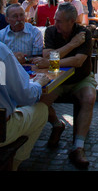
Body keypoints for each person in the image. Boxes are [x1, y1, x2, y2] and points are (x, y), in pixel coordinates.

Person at [31, 2, 97, 169]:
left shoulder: (84, 33)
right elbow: (46, 55)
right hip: (55, 79)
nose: (55, 23)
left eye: (59, 21)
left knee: (89, 97)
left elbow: (78, 61)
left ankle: (78, 147)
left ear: (71, 21)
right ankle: (57, 124)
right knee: (38, 98)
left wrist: (51, 61)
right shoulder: (52, 31)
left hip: (80, 79)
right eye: (55, 19)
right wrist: (72, 45)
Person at [0, 41, 49, 170]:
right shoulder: (1, 52)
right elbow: (26, 96)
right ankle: (13, 164)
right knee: (42, 110)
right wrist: (38, 84)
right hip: (2, 132)